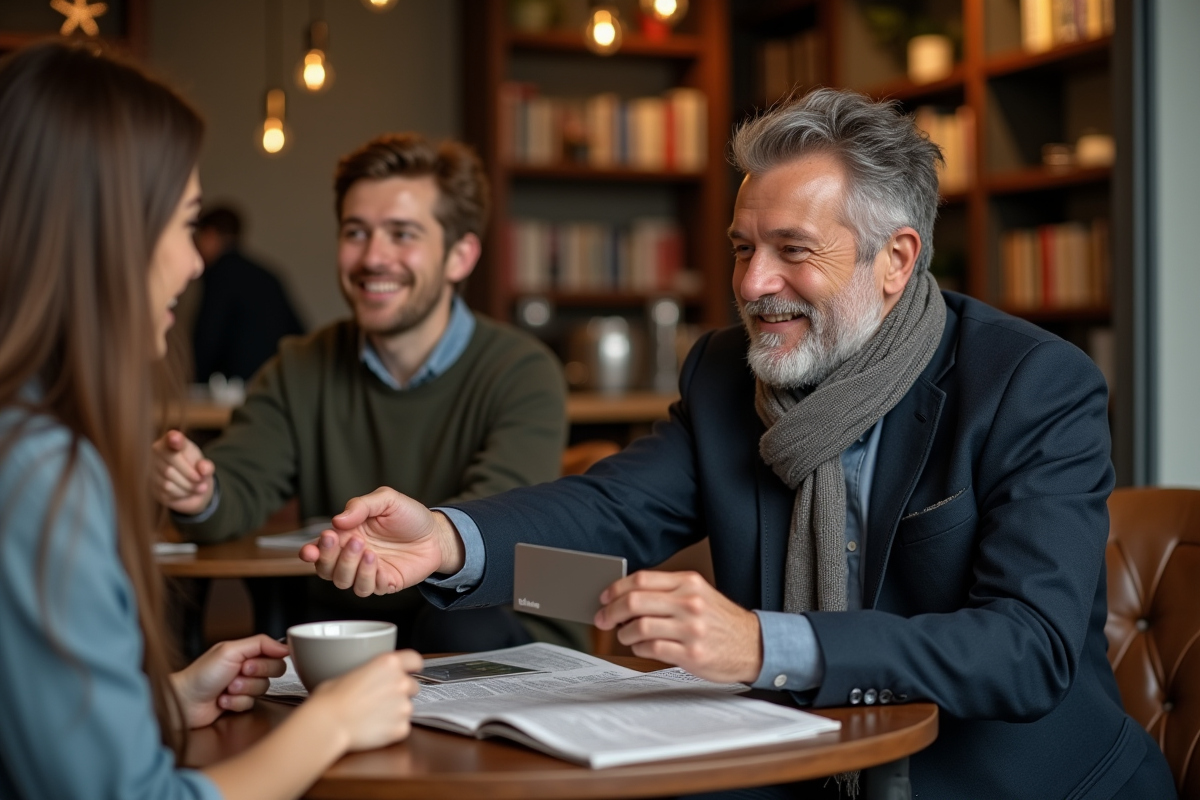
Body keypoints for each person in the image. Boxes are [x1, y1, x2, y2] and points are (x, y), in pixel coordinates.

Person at [301, 89, 1177, 799]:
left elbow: (1030, 649)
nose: (754, 284)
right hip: (791, 760)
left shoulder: (1033, 384)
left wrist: (764, 646)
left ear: (897, 259)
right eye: (741, 248)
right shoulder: (725, 372)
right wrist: (448, 541)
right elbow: (612, 511)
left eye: (792, 250)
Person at [0, 42, 422, 800]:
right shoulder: (38, 469)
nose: (196, 263)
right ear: (104, 228)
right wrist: (329, 723)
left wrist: (163, 700)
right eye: (183, 222)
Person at [152, 132, 569, 652]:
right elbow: (237, 485)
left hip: (484, 625)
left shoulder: (522, 370)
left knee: (457, 626)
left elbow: (494, 520)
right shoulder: (300, 365)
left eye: (402, 234)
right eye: (356, 232)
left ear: (460, 257)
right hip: (353, 624)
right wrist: (200, 493)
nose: (373, 257)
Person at [188, 205, 306, 383]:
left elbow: (207, 338)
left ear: (210, 235)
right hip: (274, 384)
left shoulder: (220, 273)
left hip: (230, 389)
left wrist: (193, 380)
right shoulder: (268, 275)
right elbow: (299, 334)